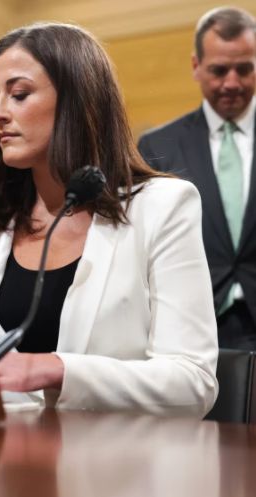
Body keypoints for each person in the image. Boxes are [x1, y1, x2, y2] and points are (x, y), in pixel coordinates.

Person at [0, 22, 218, 417]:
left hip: (116, 467)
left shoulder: (164, 207)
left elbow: (193, 382)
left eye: (18, 94)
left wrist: (56, 369)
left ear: (78, 101)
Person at [138, 7, 256, 350]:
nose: (231, 82)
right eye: (219, 70)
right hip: (189, 329)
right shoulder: (157, 146)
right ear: (196, 67)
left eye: (244, 69)